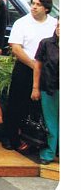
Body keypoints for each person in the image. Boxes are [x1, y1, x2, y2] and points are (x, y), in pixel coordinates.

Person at [2, 0, 57, 151]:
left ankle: (40, 140)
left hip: (49, 70)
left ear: (47, 8)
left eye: (38, 4)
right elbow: (16, 48)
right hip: (25, 67)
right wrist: (34, 66)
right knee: (16, 104)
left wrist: (42, 68)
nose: (34, 7)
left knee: (42, 106)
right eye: (33, 3)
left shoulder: (54, 24)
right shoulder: (22, 23)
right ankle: (11, 138)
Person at [33, 21, 59, 165]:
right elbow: (38, 66)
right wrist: (35, 88)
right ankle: (49, 153)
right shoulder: (46, 43)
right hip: (49, 88)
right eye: (58, 25)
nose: (59, 29)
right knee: (51, 122)